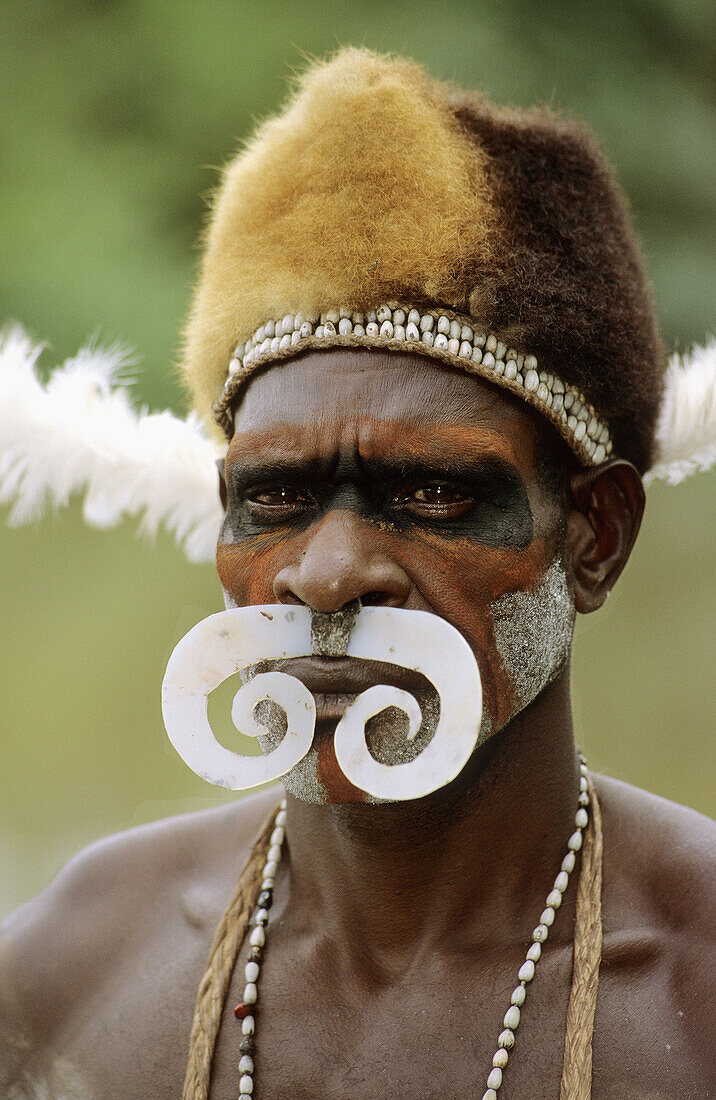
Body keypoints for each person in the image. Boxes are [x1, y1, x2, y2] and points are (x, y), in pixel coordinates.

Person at [1, 48, 714, 1099]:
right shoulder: (69, 972)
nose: (325, 575)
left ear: (594, 535)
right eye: (275, 497)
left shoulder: (690, 989)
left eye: (429, 492)